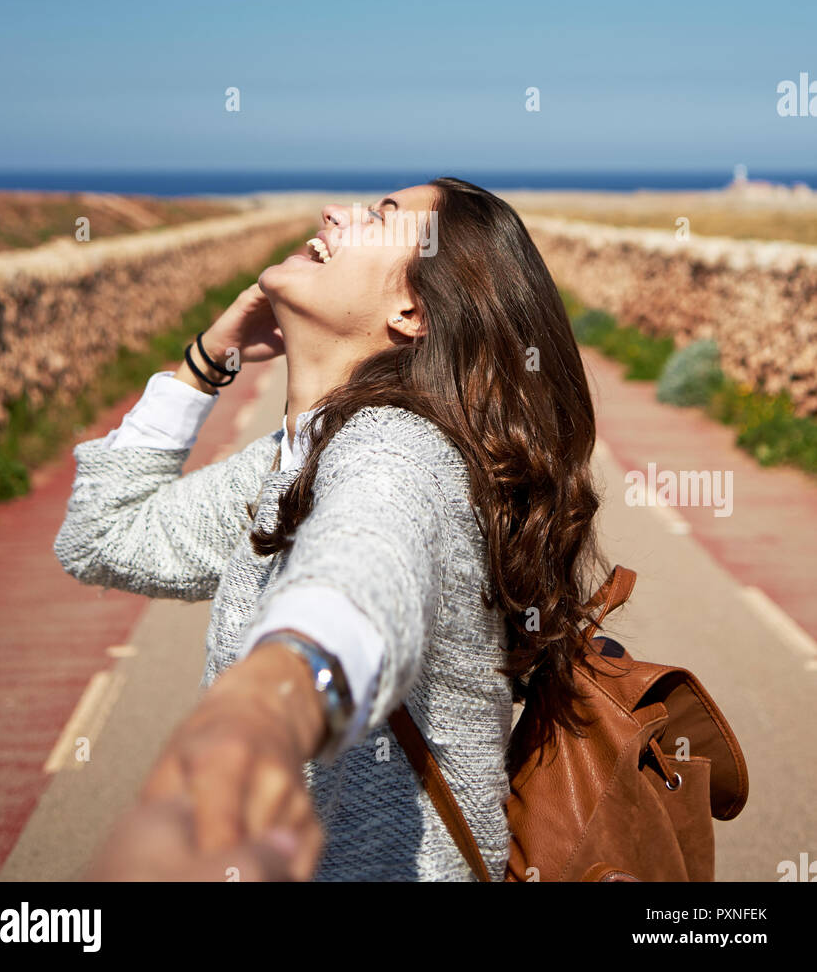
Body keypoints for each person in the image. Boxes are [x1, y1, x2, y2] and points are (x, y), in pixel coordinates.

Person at [55, 177, 604, 882]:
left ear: (411, 311)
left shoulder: (397, 451)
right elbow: (103, 537)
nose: (332, 213)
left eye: (380, 217)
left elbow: (361, 578)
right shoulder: (294, 457)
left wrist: (260, 712)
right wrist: (209, 356)